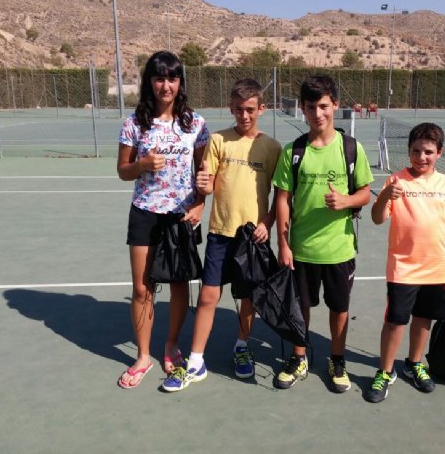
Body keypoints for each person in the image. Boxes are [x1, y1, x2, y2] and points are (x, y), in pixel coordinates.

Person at [161, 78, 282, 392]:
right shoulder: (218, 140)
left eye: (250, 110)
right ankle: (196, 361)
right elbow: (209, 184)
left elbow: (282, 196)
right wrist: (203, 189)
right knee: (208, 296)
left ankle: (242, 346)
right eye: (239, 109)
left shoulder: (272, 148)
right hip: (220, 233)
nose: (244, 115)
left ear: (262, 109)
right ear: (231, 108)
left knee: (248, 298)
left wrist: (267, 222)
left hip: (253, 238)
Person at [272, 74, 374, 393]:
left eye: (324, 106)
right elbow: (282, 199)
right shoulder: (293, 151)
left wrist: (346, 201)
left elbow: (365, 193)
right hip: (301, 249)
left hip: (339, 250)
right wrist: (284, 244)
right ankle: (299, 357)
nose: (318, 114)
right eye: (311, 107)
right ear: (302, 109)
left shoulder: (351, 148)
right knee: (299, 307)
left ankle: (337, 360)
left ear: (335, 106)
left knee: (339, 308)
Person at [116, 51, 209, 389]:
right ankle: (143, 356)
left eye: (172, 78)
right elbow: (122, 170)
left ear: (180, 82)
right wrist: (141, 166)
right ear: (150, 82)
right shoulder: (134, 123)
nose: (165, 85)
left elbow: (204, 172)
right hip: (144, 213)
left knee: (178, 284)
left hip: (179, 215)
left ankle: (171, 344)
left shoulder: (195, 124)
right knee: (142, 288)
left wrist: (200, 204)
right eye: (159, 78)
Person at [364, 122, 445, 403]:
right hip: (403, 268)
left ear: (439, 153)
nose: (422, 157)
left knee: (423, 319)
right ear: (408, 151)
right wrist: (386, 196)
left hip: (436, 268)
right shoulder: (396, 181)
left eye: (428, 152)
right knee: (395, 321)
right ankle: (386, 371)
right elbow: (377, 218)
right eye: (416, 151)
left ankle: (414, 363)